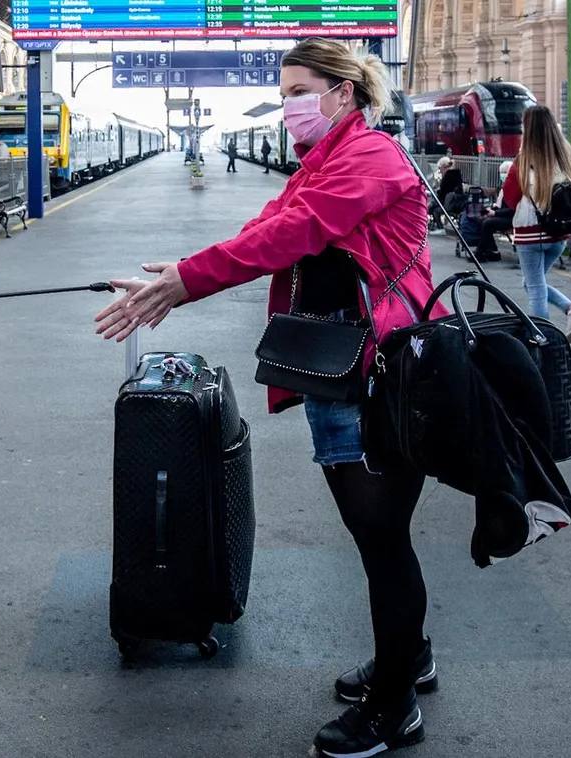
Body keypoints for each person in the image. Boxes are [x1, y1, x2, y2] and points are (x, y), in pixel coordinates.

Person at [95, 37, 444, 758]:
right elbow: (268, 226)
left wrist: (187, 282)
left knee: (380, 539)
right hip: (338, 365)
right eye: (282, 94)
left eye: (296, 92)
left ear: (342, 94)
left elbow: (298, 231)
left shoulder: (371, 158)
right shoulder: (329, 159)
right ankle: (404, 659)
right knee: (372, 534)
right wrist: (183, 274)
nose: (286, 107)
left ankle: (394, 706)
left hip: (378, 375)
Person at [501, 105, 571, 342]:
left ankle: (541, 337)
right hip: (560, 234)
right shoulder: (568, 156)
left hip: (531, 235)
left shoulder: (524, 160)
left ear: (528, 129)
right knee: (532, 282)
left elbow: (510, 197)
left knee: (536, 289)